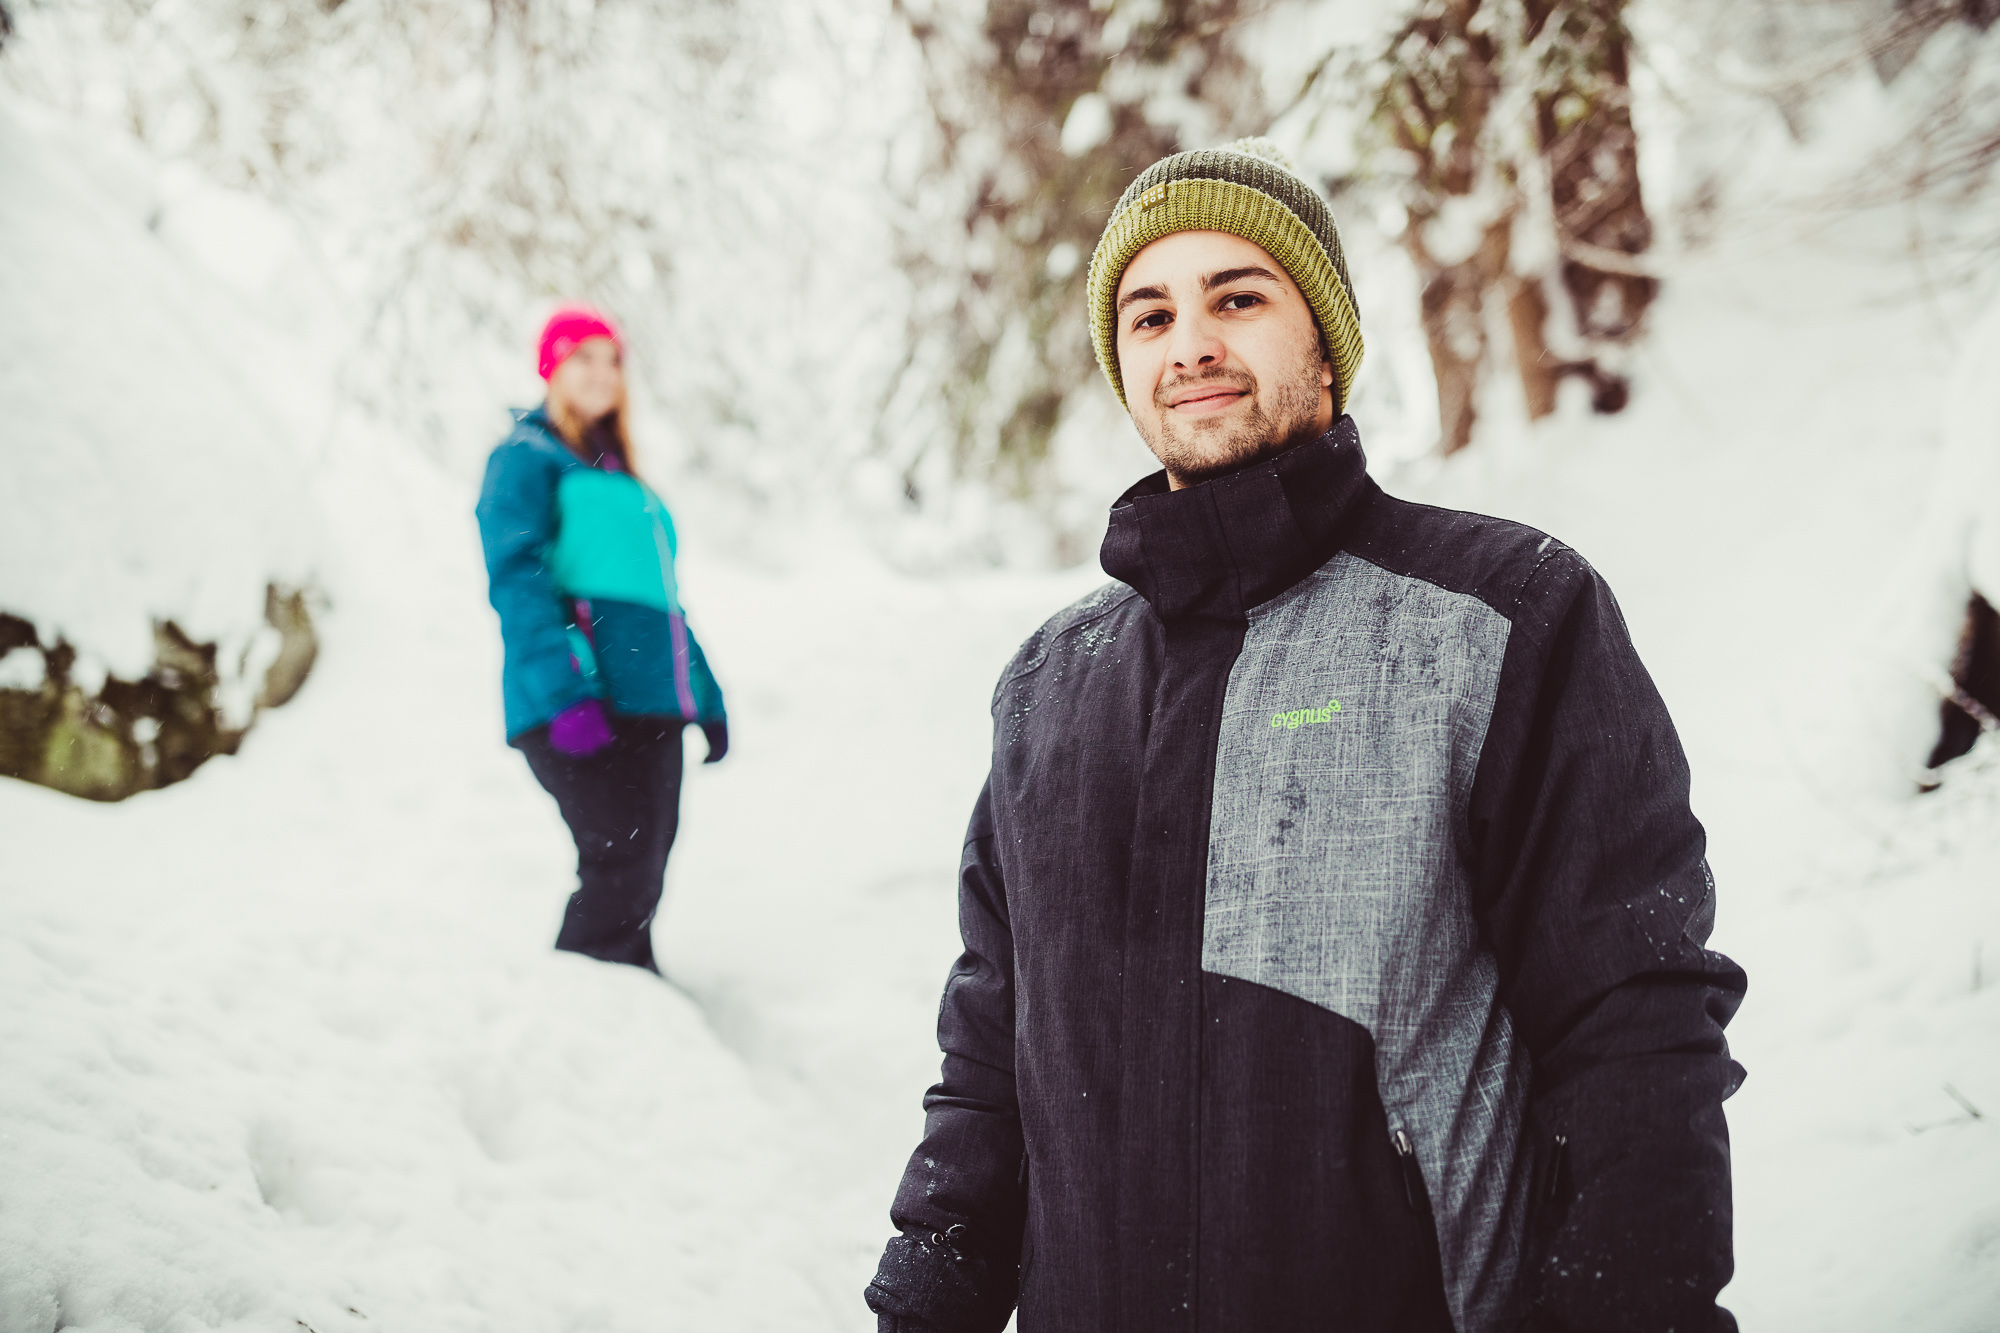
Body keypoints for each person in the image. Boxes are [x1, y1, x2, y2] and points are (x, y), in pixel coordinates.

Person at [864, 140, 1747, 1333]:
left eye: (1236, 298)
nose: (1188, 345)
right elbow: (986, 1059)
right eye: (1148, 316)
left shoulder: (1503, 614)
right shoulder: (1048, 684)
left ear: (1324, 339)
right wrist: (925, 1300)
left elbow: (1634, 1029)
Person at [476, 305, 727, 974]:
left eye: (612, 360)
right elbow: (517, 581)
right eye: (582, 357)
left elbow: (662, 602)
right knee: (618, 858)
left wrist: (706, 694)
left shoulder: (628, 481)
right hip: (582, 695)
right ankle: (582, 995)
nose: (601, 372)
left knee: (647, 862)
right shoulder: (525, 457)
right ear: (551, 368)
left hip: (652, 699)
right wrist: (564, 694)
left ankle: (631, 989)